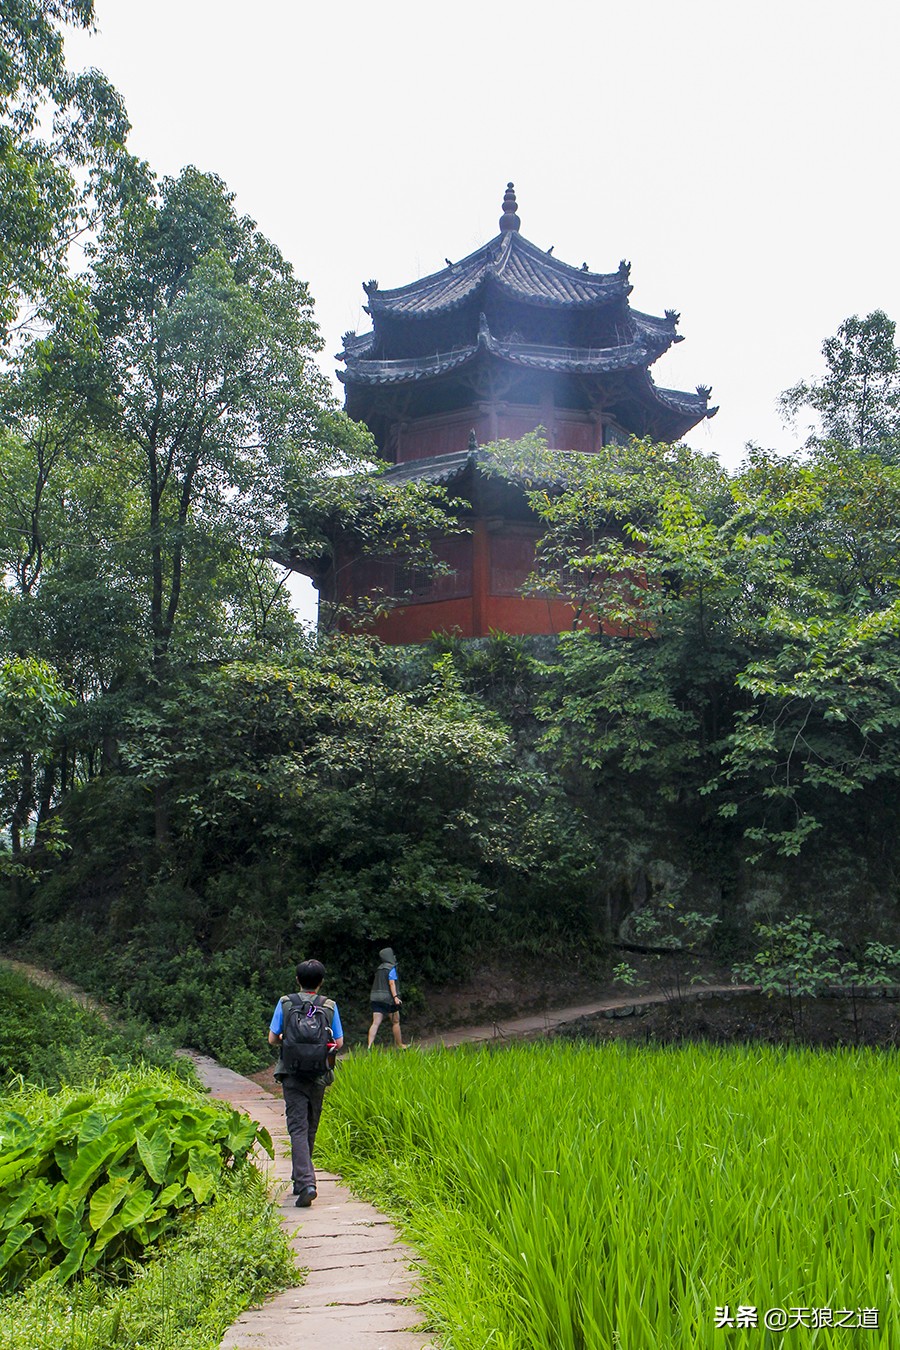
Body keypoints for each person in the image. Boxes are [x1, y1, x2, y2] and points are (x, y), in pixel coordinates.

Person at [268, 958, 343, 1208]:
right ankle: (302, 1179)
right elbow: (339, 1043)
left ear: (297, 980)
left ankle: (305, 1182)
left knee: (297, 1127)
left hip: (292, 1074)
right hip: (319, 1074)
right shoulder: (329, 1006)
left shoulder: (286, 1003)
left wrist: (289, 1041)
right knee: (310, 1126)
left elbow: (272, 1039)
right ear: (321, 982)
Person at [367, 946, 406, 1049]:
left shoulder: (379, 969)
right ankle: (400, 1045)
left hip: (375, 998)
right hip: (388, 1000)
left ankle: (369, 1046)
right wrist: (395, 997)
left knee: (375, 1023)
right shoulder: (391, 968)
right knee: (396, 1021)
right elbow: (391, 983)